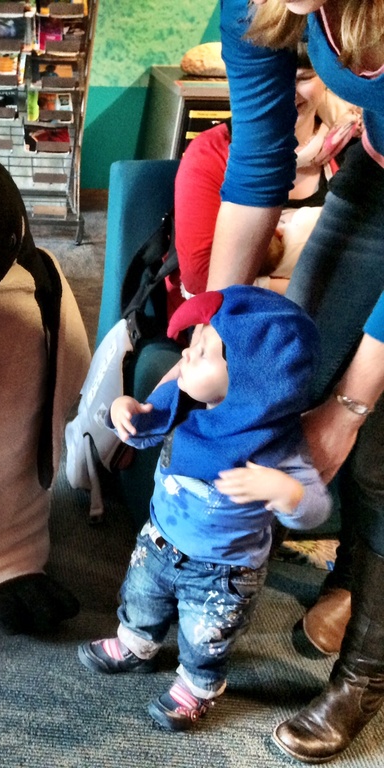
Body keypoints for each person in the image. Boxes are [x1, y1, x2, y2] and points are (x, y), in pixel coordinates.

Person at [214, 0, 384, 761]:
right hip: (377, 176)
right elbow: (257, 165)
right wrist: (217, 325)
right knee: (289, 374)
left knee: (373, 444)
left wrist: (349, 410)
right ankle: (347, 573)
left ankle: (365, 675)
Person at [78, 286, 332, 731]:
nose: (185, 356)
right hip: (160, 541)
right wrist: (123, 410)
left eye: (202, 351)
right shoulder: (186, 403)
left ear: (252, 382)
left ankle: (198, 685)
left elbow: (315, 509)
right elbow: (142, 427)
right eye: (192, 344)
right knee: (141, 599)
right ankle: (137, 643)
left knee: (206, 635)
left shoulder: (276, 446)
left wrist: (284, 491)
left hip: (223, 572)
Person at [170, 44, 360, 317]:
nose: (286, 91)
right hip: (233, 316)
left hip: (335, 315)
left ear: (325, 78)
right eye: (272, 76)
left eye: (303, 78)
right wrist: (320, 292)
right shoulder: (212, 153)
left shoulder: (352, 148)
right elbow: (203, 279)